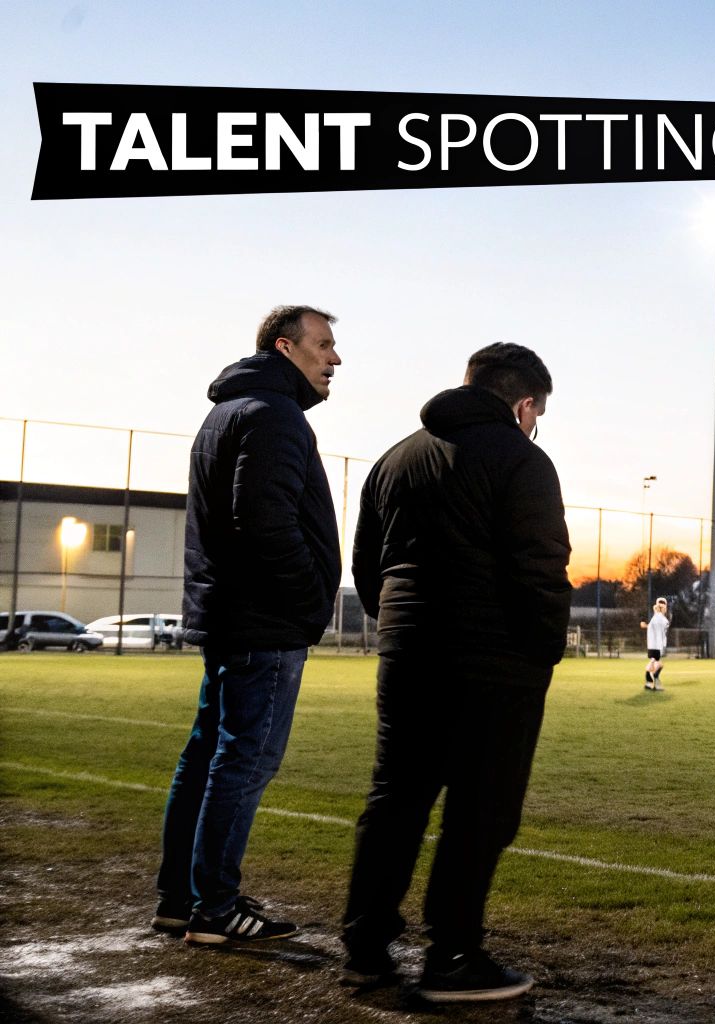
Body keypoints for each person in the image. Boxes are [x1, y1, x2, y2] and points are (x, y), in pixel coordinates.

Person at [340, 343, 571, 1002]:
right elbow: (540, 567)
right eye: (537, 413)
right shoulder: (522, 460)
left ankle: (364, 950)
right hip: (492, 664)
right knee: (482, 809)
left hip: (408, 653)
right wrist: (542, 651)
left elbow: (367, 568)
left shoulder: (395, 458)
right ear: (523, 404)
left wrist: (399, 629)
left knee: (396, 799)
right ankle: (453, 954)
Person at [153, 305, 343, 946]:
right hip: (264, 624)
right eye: (324, 346)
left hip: (236, 619)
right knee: (243, 761)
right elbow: (262, 520)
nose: (334, 359)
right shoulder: (273, 416)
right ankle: (215, 909)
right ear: (285, 347)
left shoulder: (229, 412)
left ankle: (182, 899)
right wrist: (310, 596)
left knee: (207, 755)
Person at [642, 598, 670, 690]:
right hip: (657, 646)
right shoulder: (663, 619)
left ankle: (649, 683)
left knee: (653, 662)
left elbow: (650, 627)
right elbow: (661, 631)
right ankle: (656, 684)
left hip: (651, 646)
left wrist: (645, 625)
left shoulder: (654, 618)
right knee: (659, 665)